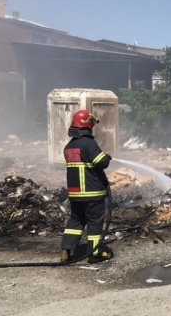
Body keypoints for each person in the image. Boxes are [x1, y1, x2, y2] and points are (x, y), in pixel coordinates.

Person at [60, 110, 113, 263]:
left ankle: (66, 250)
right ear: (87, 125)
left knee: (76, 220)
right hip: (92, 192)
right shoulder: (88, 144)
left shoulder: (69, 146)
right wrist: (106, 157)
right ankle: (94, 253)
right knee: (95, 222)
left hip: (75, 194)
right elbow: (101, 162)